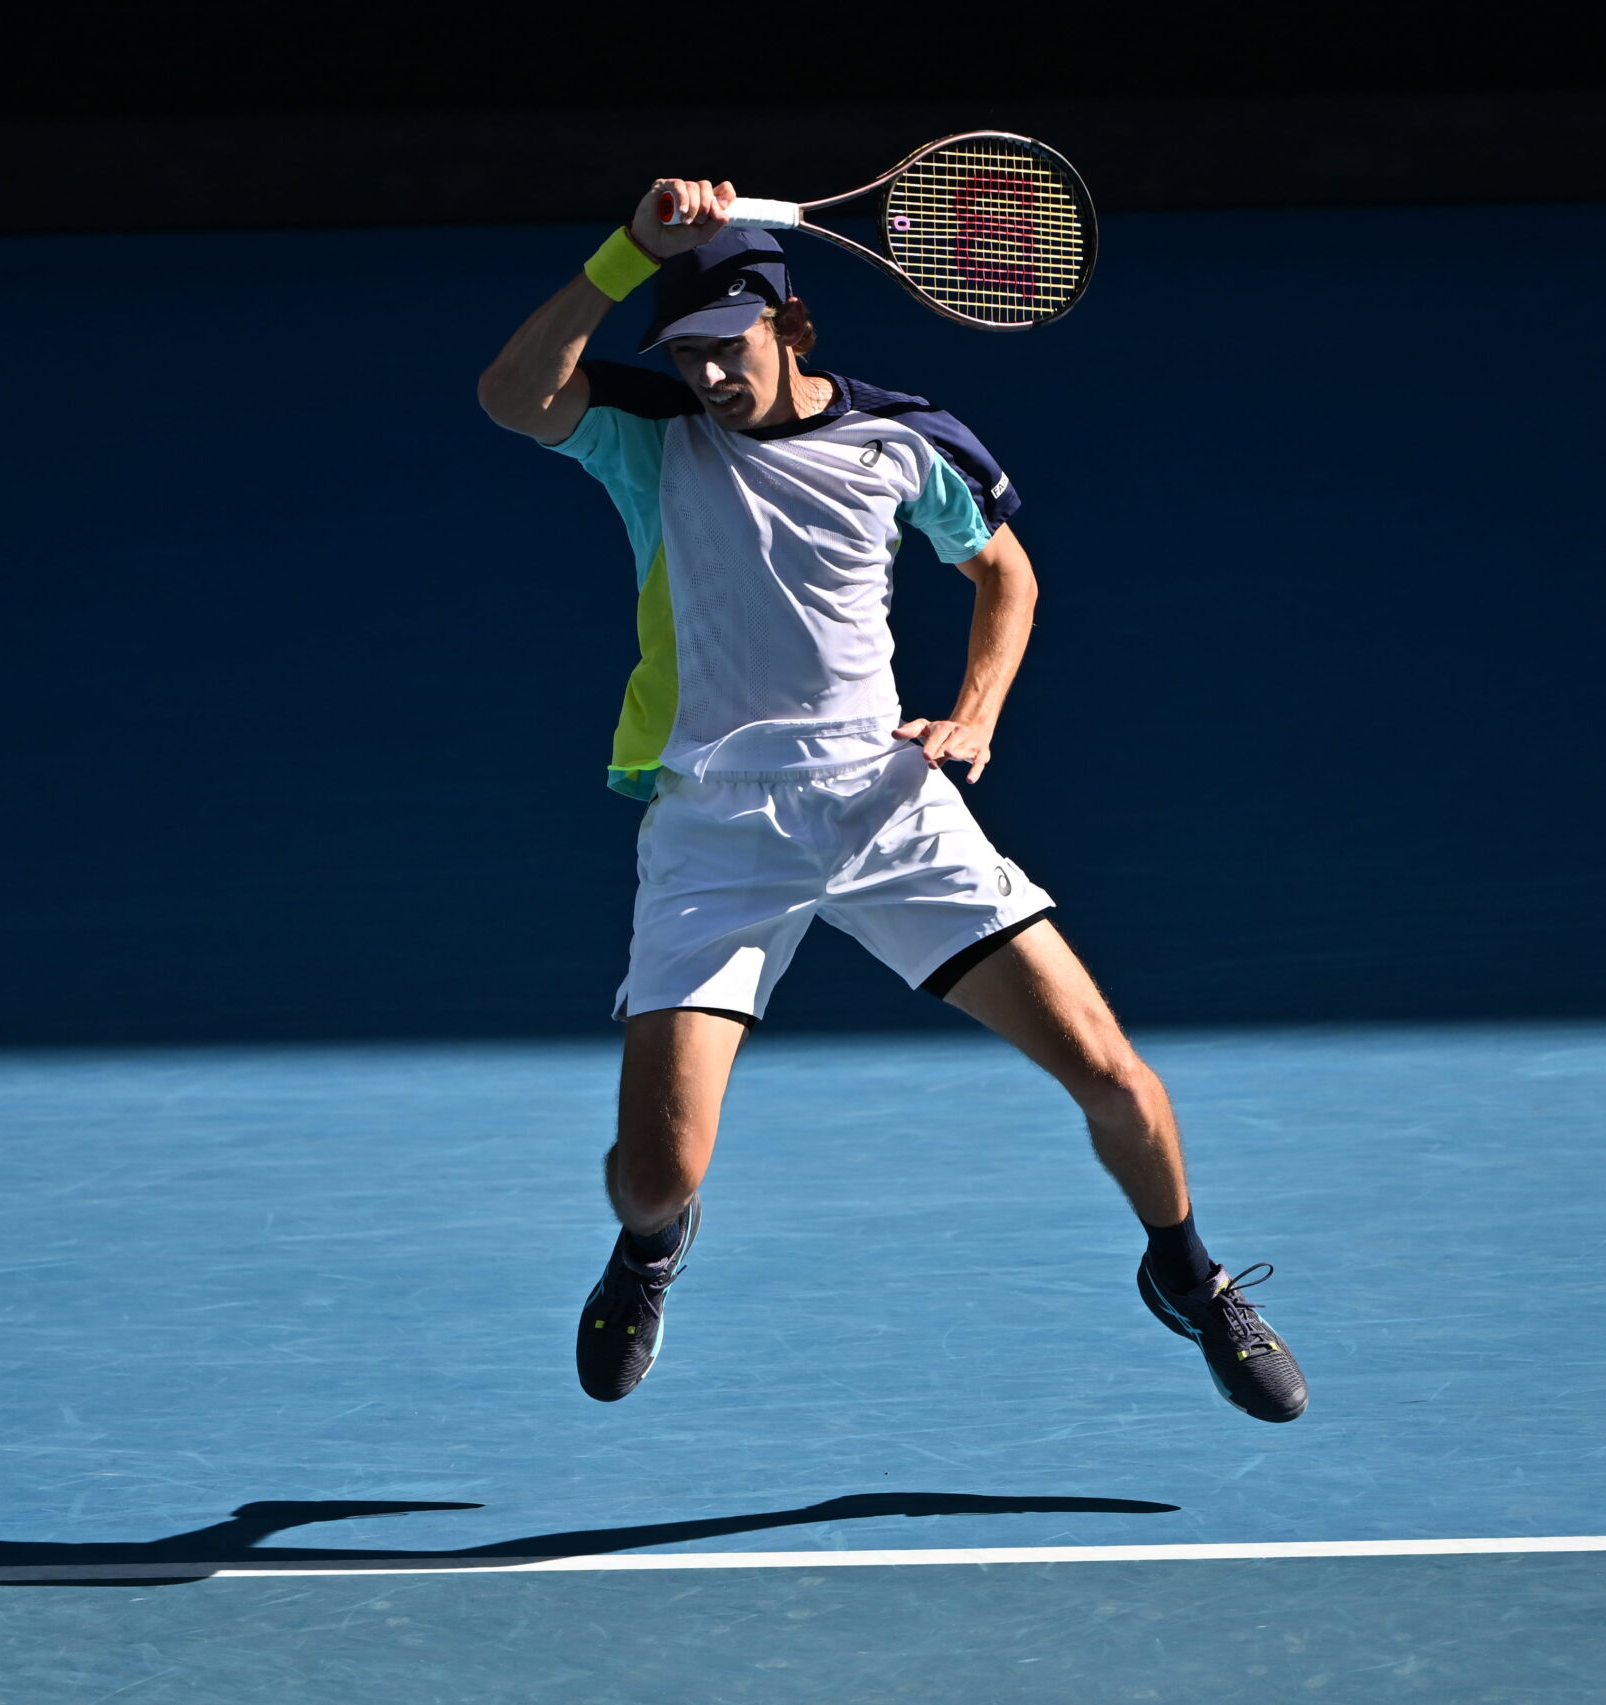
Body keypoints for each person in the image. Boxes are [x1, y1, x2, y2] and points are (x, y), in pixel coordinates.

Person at [475, 177, 1306, 1422]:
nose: (709, 375)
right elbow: (509, 395)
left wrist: (974, 715)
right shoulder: (650, 437)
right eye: (686, 354)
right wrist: (624, 253)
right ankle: (650, 1249)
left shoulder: (905, 439)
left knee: (1112, 1074)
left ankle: (1188, 1275)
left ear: (791, 325)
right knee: (656, 1175)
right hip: (717, 827)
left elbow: (1004, 572)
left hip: (886, 806)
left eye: (729, 345)